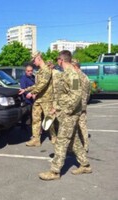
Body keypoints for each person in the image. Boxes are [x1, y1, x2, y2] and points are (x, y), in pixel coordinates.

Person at [39, 50, 92, 181]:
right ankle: (85, 165)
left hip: (70, 114)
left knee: (61, 141)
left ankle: (55, 171)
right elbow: (62, 95)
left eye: (58, 60)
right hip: (65, 112)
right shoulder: (66, 74)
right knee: (74, 140)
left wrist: (66, 111)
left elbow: (76, 96)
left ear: (60, 60)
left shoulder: (73, 75)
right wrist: (55, 109)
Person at [19, 52, 56, 147]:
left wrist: (33, 93)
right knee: (35, 119)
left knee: (48, 119)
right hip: (38, 99)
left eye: (34, 60)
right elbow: (36, 85)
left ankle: (54, 136)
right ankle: (36, 139)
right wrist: (26, 90)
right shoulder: (39, 71)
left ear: (39, 58)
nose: (33, 63)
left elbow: (43, 84)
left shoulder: (47, 70)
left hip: (46, 99)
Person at [72, 59, 91, 152]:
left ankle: (74, 147)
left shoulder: (75, 77)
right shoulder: (85, 77)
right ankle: (86, 145)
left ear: (75, 66)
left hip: (76, 105)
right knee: (83, 126)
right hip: (83, 105)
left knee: (73, 126)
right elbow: (88, 93)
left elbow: (74, 91)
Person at [19, 64, 35, 130]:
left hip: (33, 99)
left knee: (33, 115)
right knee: (26, 115)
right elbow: (23, 89)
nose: (30, 72)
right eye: (28, 71)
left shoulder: (33, 77)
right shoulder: (23, 78)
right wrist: (29, 94)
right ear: (25, 71)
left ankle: (32, 127)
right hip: (27, 100)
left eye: (31, 71)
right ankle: (23, 127)